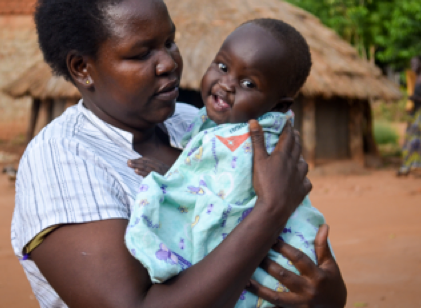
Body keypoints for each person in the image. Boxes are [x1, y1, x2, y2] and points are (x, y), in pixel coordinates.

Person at [11, 0, 347, 308]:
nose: (169, 62)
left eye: (169, 42)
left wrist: (326, 295)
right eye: (142, 54)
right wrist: (271, 209)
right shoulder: (62, 159)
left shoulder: (198, 123)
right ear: (83, 69)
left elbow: (307, 253)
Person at [125, 18, 326, 308]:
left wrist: (172, 174)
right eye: (222, 66)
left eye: (248, 83)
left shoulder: (254, 139)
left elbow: (222, 188)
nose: (226, 84)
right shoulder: (212, 121)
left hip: (267, 260)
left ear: (279, 106)